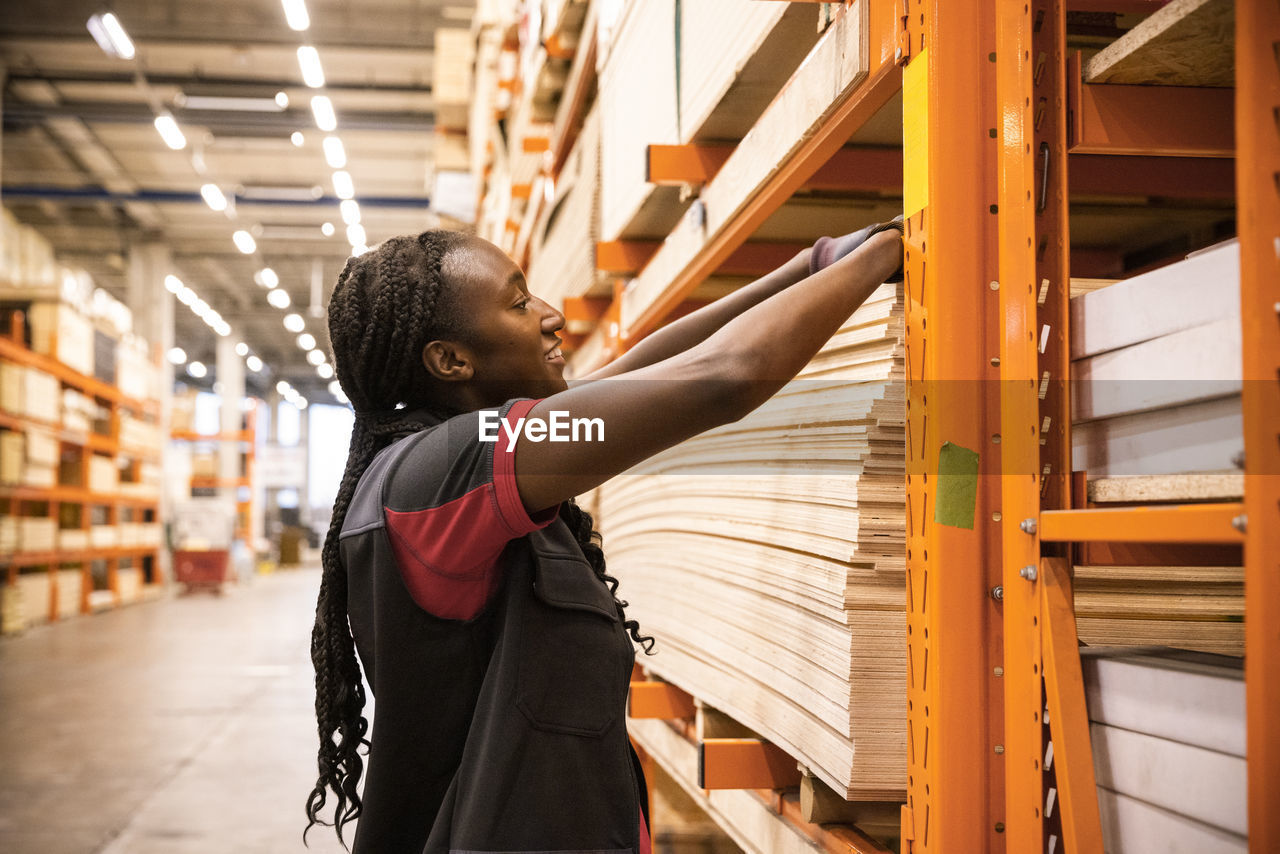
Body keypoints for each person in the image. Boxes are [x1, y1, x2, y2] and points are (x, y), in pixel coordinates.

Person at [305, 221, 904, 853]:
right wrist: (893, 250)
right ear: (452, 360)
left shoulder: (459, 452)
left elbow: (640, 370)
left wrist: (815, 262)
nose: (552, 314)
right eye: (518, 303)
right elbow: (725, 377)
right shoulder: (441, 471)